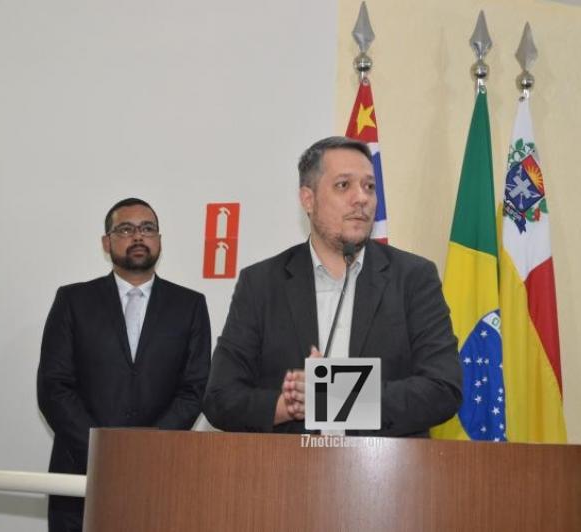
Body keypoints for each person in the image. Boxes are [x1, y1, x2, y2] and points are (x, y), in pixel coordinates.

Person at [204, 137, 461, 436]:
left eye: (369, 187)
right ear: (308, 199)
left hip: (382, 464)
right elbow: (220, 398)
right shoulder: (262, 283)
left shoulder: (413, 278)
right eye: (343, 185)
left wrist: (332, 397)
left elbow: (443, 388)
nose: (361, 198)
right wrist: (291, 406)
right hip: (288, 463)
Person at [37, 198, 211, 532]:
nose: (138, 236)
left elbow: (194, 389)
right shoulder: (73, 300)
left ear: (159, 240)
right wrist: (101, 450)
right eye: (126, 229)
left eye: (147, 228)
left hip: (158, 473)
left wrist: (145, 450)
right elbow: (54, 387)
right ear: (107, 242)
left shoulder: (189, 305)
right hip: (80, 473)